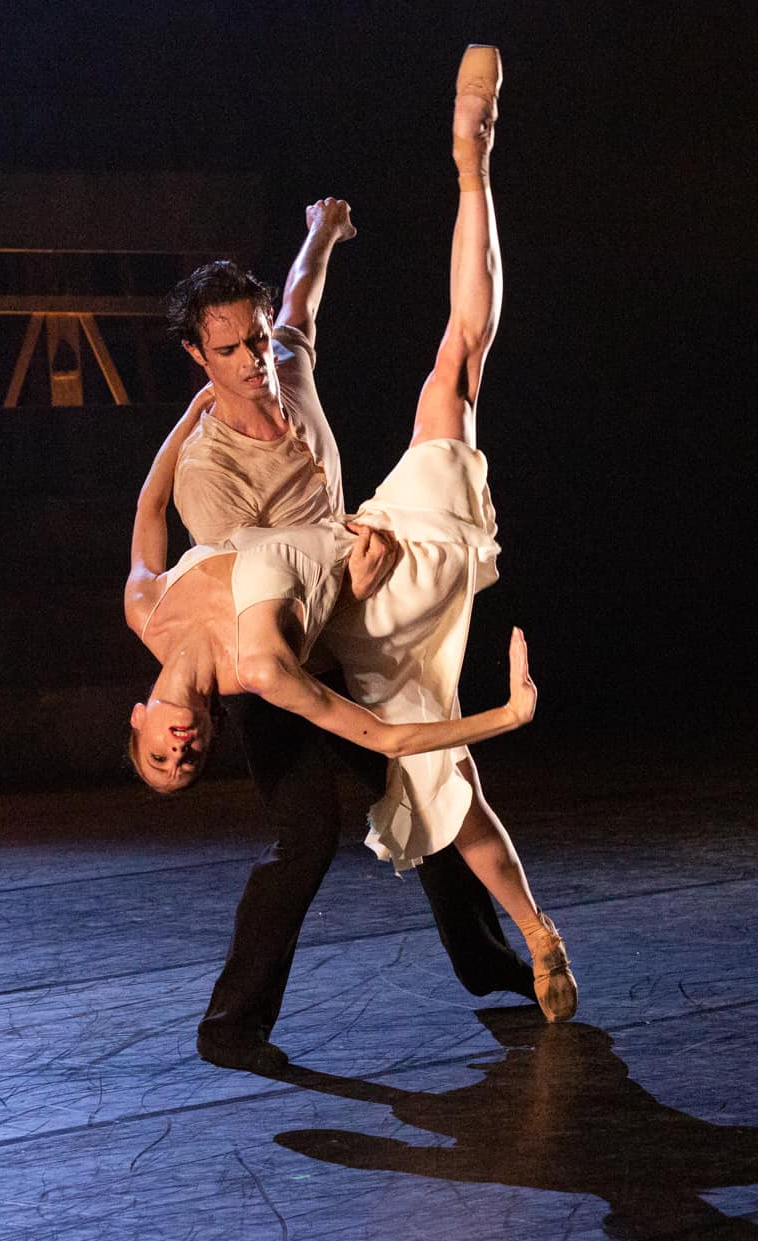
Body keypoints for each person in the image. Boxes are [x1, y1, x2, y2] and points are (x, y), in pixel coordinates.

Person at [125, 45, 576, 1037]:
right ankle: (235, 1018)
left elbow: (297, 305)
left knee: (427, 796)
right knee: (308, 837)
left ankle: (498, 958)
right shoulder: (210, 479)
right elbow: (263, 594)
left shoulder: (279, 356)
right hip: (289, 644)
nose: (250, 361)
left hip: (343, 576)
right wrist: (350, 571)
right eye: (228, 351)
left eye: (251, 341)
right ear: (197, 357)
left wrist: (321, 235)